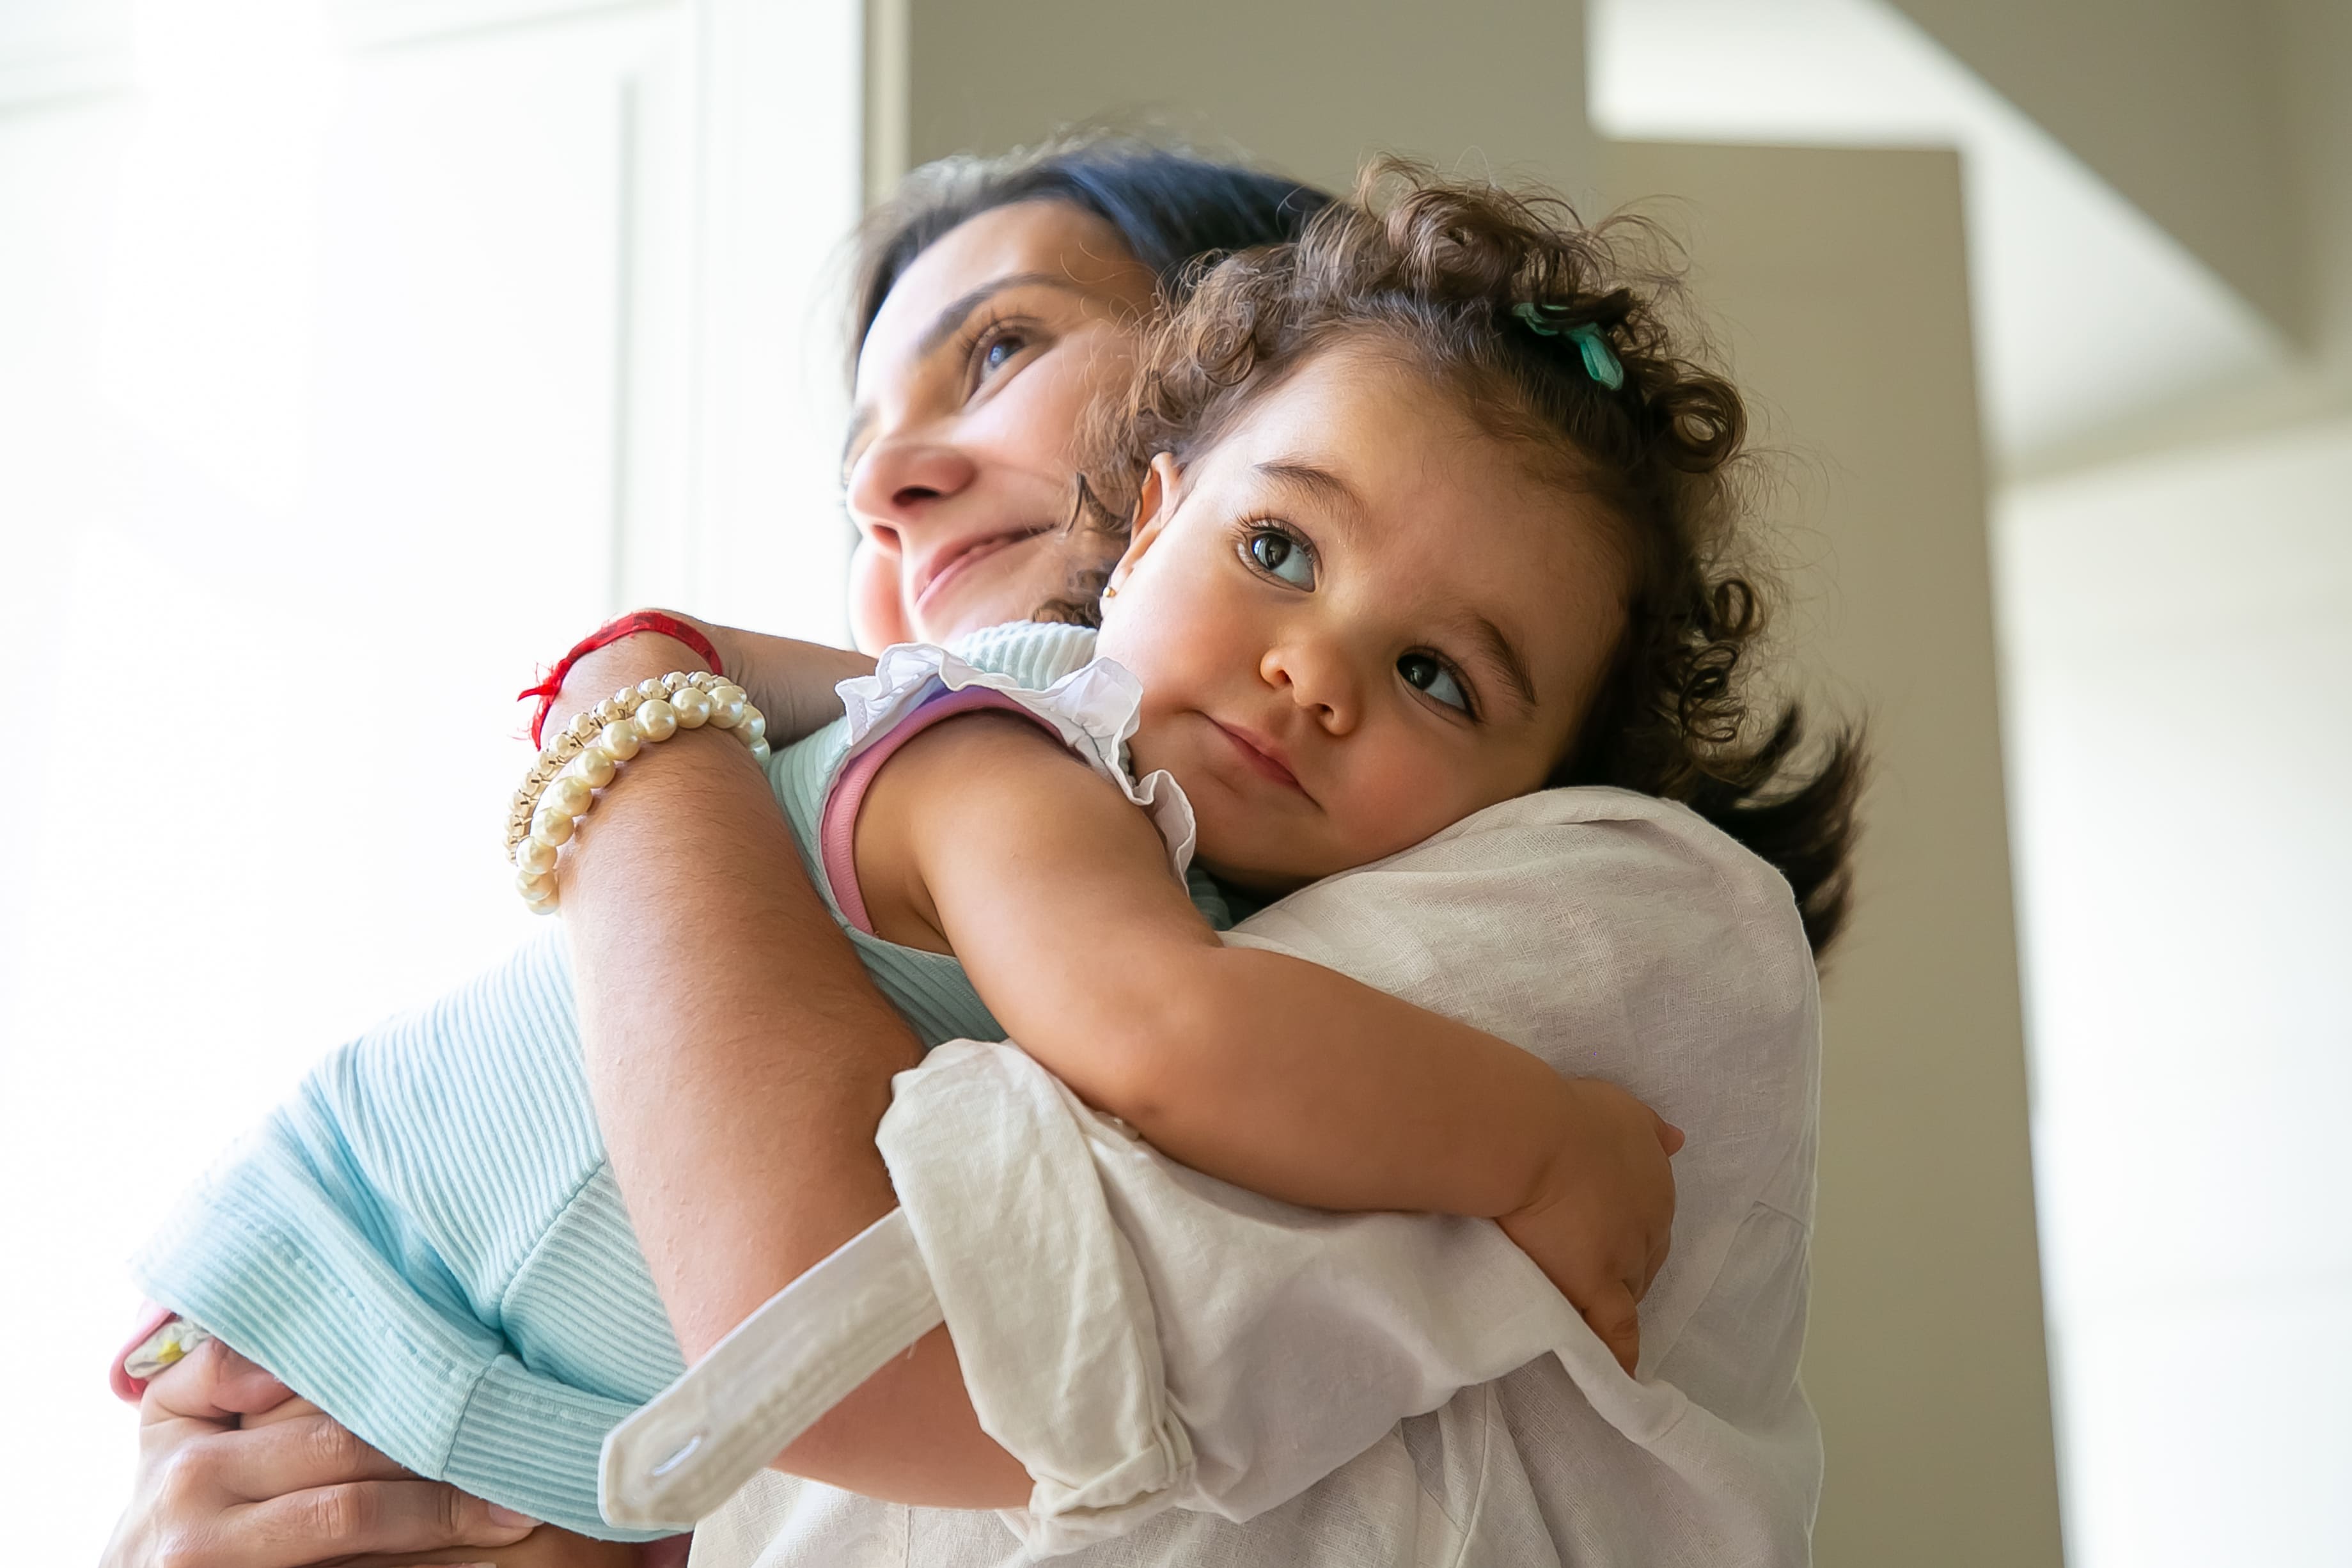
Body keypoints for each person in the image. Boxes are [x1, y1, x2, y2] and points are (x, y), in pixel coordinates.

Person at [104, 139, 1853, 1568]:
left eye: (1002, 347)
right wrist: (1535, 1146)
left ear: (1189, 381)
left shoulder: (1617, 900)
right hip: (380, 1303)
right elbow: (1167, 1035)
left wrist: (643, 681)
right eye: (1282, 552)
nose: (1315, 671)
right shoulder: (1020, 766)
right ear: (1167, 502)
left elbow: (857, 1360)